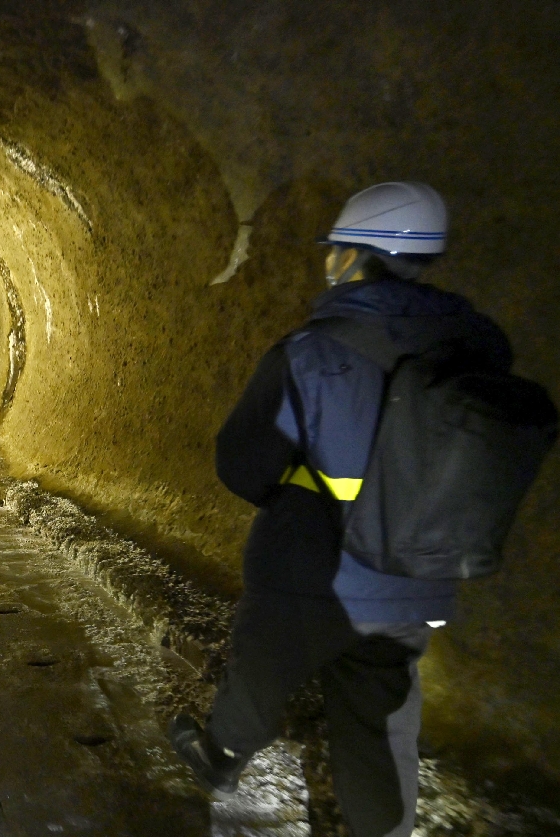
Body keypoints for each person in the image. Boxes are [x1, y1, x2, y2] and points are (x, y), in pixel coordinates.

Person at [168, 182, 513, 837]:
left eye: (336, 250)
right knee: (379, 720)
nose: (330, 262)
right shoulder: (477, 352)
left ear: (356, 256)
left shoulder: (313, 352)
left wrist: (295, 492)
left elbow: (240, 462)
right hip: (416, 571)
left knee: (262, 665)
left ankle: (222, 755)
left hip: (312, 561)